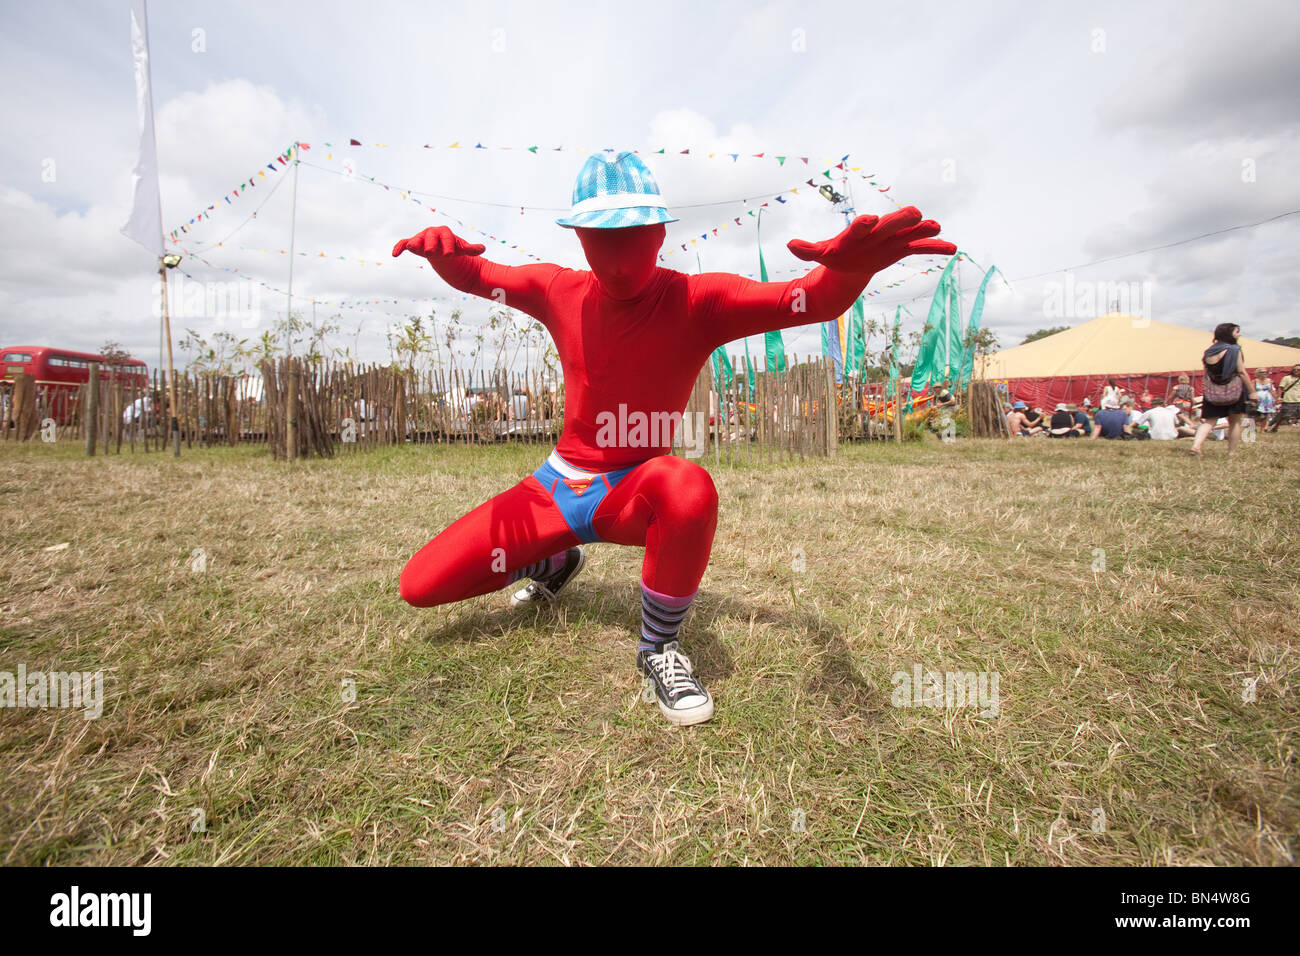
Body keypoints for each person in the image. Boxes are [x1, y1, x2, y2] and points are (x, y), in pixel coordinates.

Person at [391, 151, 956, 726]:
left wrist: (849, 270)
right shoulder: (555, 288)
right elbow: (479, 276)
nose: (616, 255)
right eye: (600, 235)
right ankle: (554, 563)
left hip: (632, 493)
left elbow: (806, 300)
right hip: (556, 486)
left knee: (688, 488)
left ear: (660, 231)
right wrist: (443, 254)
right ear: (579, 237)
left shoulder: (698, 301)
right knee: (421, 585)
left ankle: (659, 648)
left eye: (633, 232)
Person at [1190, 323, 1255, 457]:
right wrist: (1252, 391)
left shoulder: (1209, 352)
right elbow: (1241, 372)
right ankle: (1231, 453)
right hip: (1234, 390)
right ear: (1229, 334)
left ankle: (1196, 445)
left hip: (1213, 391)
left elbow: (1206, 374)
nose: (1239, 334)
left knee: (1209, 421)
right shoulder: (1234, 350)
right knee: (1235, 421)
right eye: (1237, 332)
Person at [1265, 364, 1300, 432]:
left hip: (1299, 399)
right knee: (1284, 415)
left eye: (1298, 370)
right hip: (1288, 400)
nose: (1296, 371)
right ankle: (1275, 427)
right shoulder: (1287, 378)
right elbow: (1280, 388)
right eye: (1295, 369)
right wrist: (1279, 398)